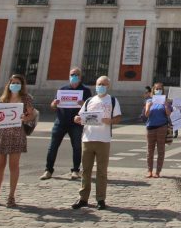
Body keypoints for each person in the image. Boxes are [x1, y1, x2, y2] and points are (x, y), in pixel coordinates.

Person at [72, 76, 122, 210]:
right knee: (85, 170)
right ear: (95, 85)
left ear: (108, 86)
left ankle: (100, 199)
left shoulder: (112, 100)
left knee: (101, 171)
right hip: (87, 138)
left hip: (103, 139)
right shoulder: (89, 100)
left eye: (104, 84)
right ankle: (83, 198)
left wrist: (110, 121)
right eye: (99, 84)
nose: (101, 86)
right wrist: (77, 118)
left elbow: (118, 118)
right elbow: (80, 115)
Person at [0, 73, 34, 208]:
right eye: (13, 82)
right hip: (2, 134)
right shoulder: (4, 99)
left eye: (18, 83)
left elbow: (31, 115)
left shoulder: (26, 99)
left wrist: (25, 118)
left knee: (14, 166)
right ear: (9, 84)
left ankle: (11, 196)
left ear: (22, 85)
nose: (15, 85)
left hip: (17, 134)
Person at [41, 66, 90, 180]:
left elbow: (89, 107)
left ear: (80, 77)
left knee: (77, 147)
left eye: (76, 75)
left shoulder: (85, 91)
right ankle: (48, 170)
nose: (74, 77)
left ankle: (75, 170)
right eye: (72, 74)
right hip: (60, 122)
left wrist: (83, 103)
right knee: (52, 147)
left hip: (76, 123)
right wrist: (54, 103)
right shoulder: (63, 89)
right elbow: (53, 105)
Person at [144, 81, 172, 178]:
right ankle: (149, 171)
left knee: (161, 150)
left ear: (163, 90)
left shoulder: (166, 101)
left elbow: (168, 113)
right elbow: (146, 114)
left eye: (160, 89)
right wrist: (149, 106)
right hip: (150, 127)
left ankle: (158, 172)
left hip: (162, 127)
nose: (158, 90)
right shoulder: (149, 101)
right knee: (149, 150)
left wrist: (165, 105)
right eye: (156, 89)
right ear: (153, 90)